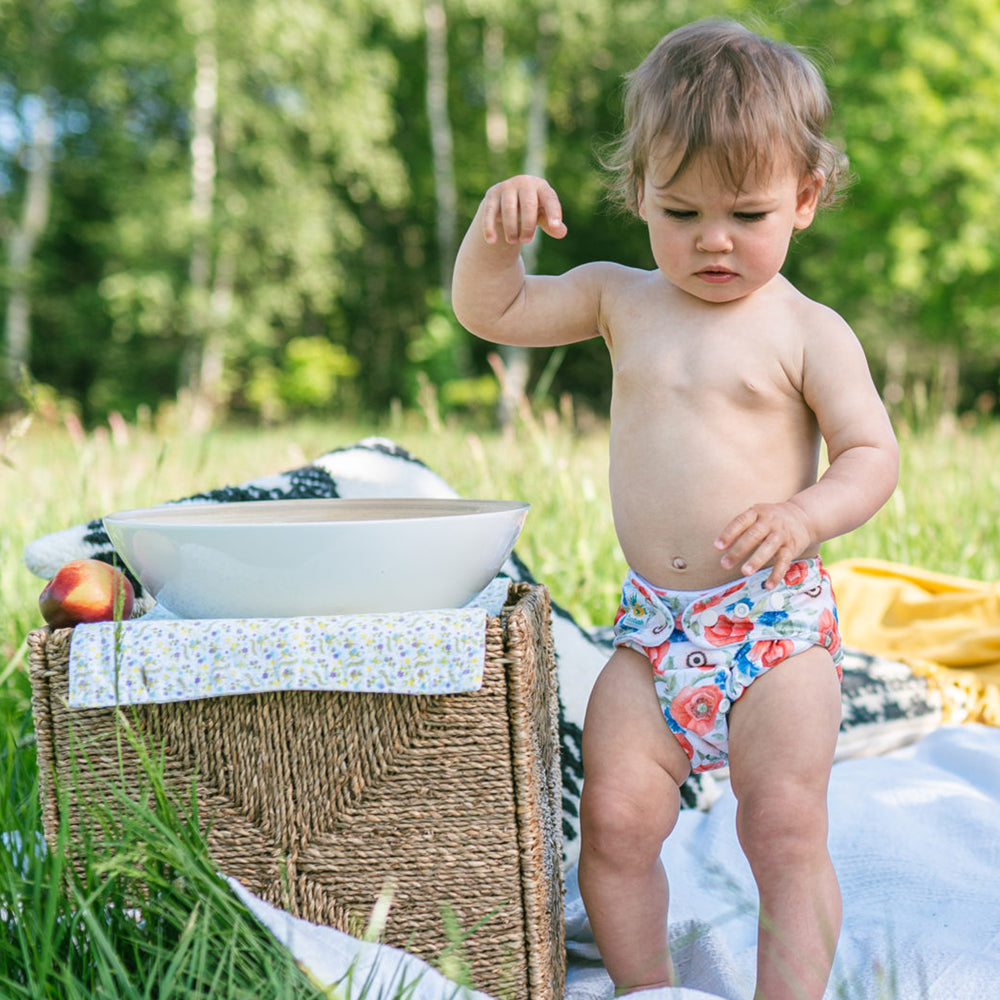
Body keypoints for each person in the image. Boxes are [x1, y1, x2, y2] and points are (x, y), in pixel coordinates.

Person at [452, 18, 898, 1000]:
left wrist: (806, 515)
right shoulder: (621, 299)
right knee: (612, 826)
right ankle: (649, 988)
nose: (712, 238)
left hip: (773, 628)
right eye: (681, 209)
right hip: (655, 629)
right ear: (639, 193)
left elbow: (872, 455)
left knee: (781, 825)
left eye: (747, 212)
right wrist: (495, 235)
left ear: (805, 198)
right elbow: (495, 311)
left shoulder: (807, 330)